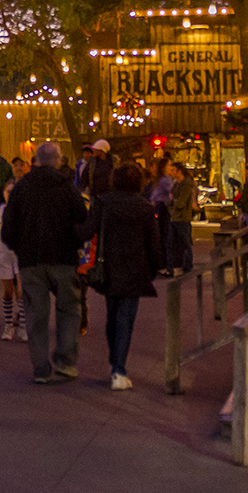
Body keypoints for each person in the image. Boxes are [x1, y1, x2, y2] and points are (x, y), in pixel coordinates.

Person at [1, 141, 87, 383]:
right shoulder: (67, 187)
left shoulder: (21, 188)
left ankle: (41, 368)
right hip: (63, 258)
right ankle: (66, 362)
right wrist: (75, 243)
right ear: (58, 160)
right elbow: (82, 218)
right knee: (69, 310)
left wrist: (20, 247)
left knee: (36, 314)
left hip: (30, 261)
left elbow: (8, 229)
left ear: (35, 160)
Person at [81, 161, 164, 389]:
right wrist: (155, 267)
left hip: (108, 266)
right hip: (135, 268)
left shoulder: (103, 203)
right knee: (126, 318)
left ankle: (115, 362)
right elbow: (153, 243)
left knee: (113, 314)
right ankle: (119, 369)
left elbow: (88, 231)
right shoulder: (145, 208)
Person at [0, 155, 29, 340]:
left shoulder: (24, 209)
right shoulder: (0, 209)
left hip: (20, 253)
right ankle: (8, 325)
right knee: (7, 292)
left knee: (21, 291)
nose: (10, 194)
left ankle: (22, 325)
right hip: (4, 253)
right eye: (8, 191)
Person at [166, 161, 198, 274]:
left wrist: (173, 201)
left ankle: (188, 265)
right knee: (171, 243)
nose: (171, 173)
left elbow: (180, 203)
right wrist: (173, 203)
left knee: (185, 243)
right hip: (175, 218)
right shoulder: (176, 185)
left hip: (183, 218)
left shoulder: (186, 185)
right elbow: (170, 202)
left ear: (179, 171)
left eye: (173, 170)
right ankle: (172, 267)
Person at [147, 157, 175, 275]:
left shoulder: (162, 180)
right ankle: (165, 264)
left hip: (160, 207)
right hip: (163, 208)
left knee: (163, 235)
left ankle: (163, 264)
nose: (171, 168)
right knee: (165, 236)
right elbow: (173, 191)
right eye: (169, 166)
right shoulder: (165, 180)